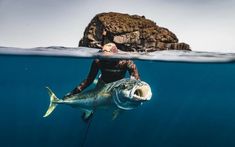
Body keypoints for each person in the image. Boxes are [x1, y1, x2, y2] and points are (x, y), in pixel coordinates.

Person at [65, 43, 140, 97]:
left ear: (116, 55)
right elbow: (89, 80)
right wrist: (72, 93)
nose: (105, 60)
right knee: (95, 101)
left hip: (119, 85)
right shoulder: (98, 61)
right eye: (103, 57)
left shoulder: (126, 61)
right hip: (102, 84)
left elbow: (135, 79)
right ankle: (90, 110)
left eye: (108, 58)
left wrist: (137, 92)